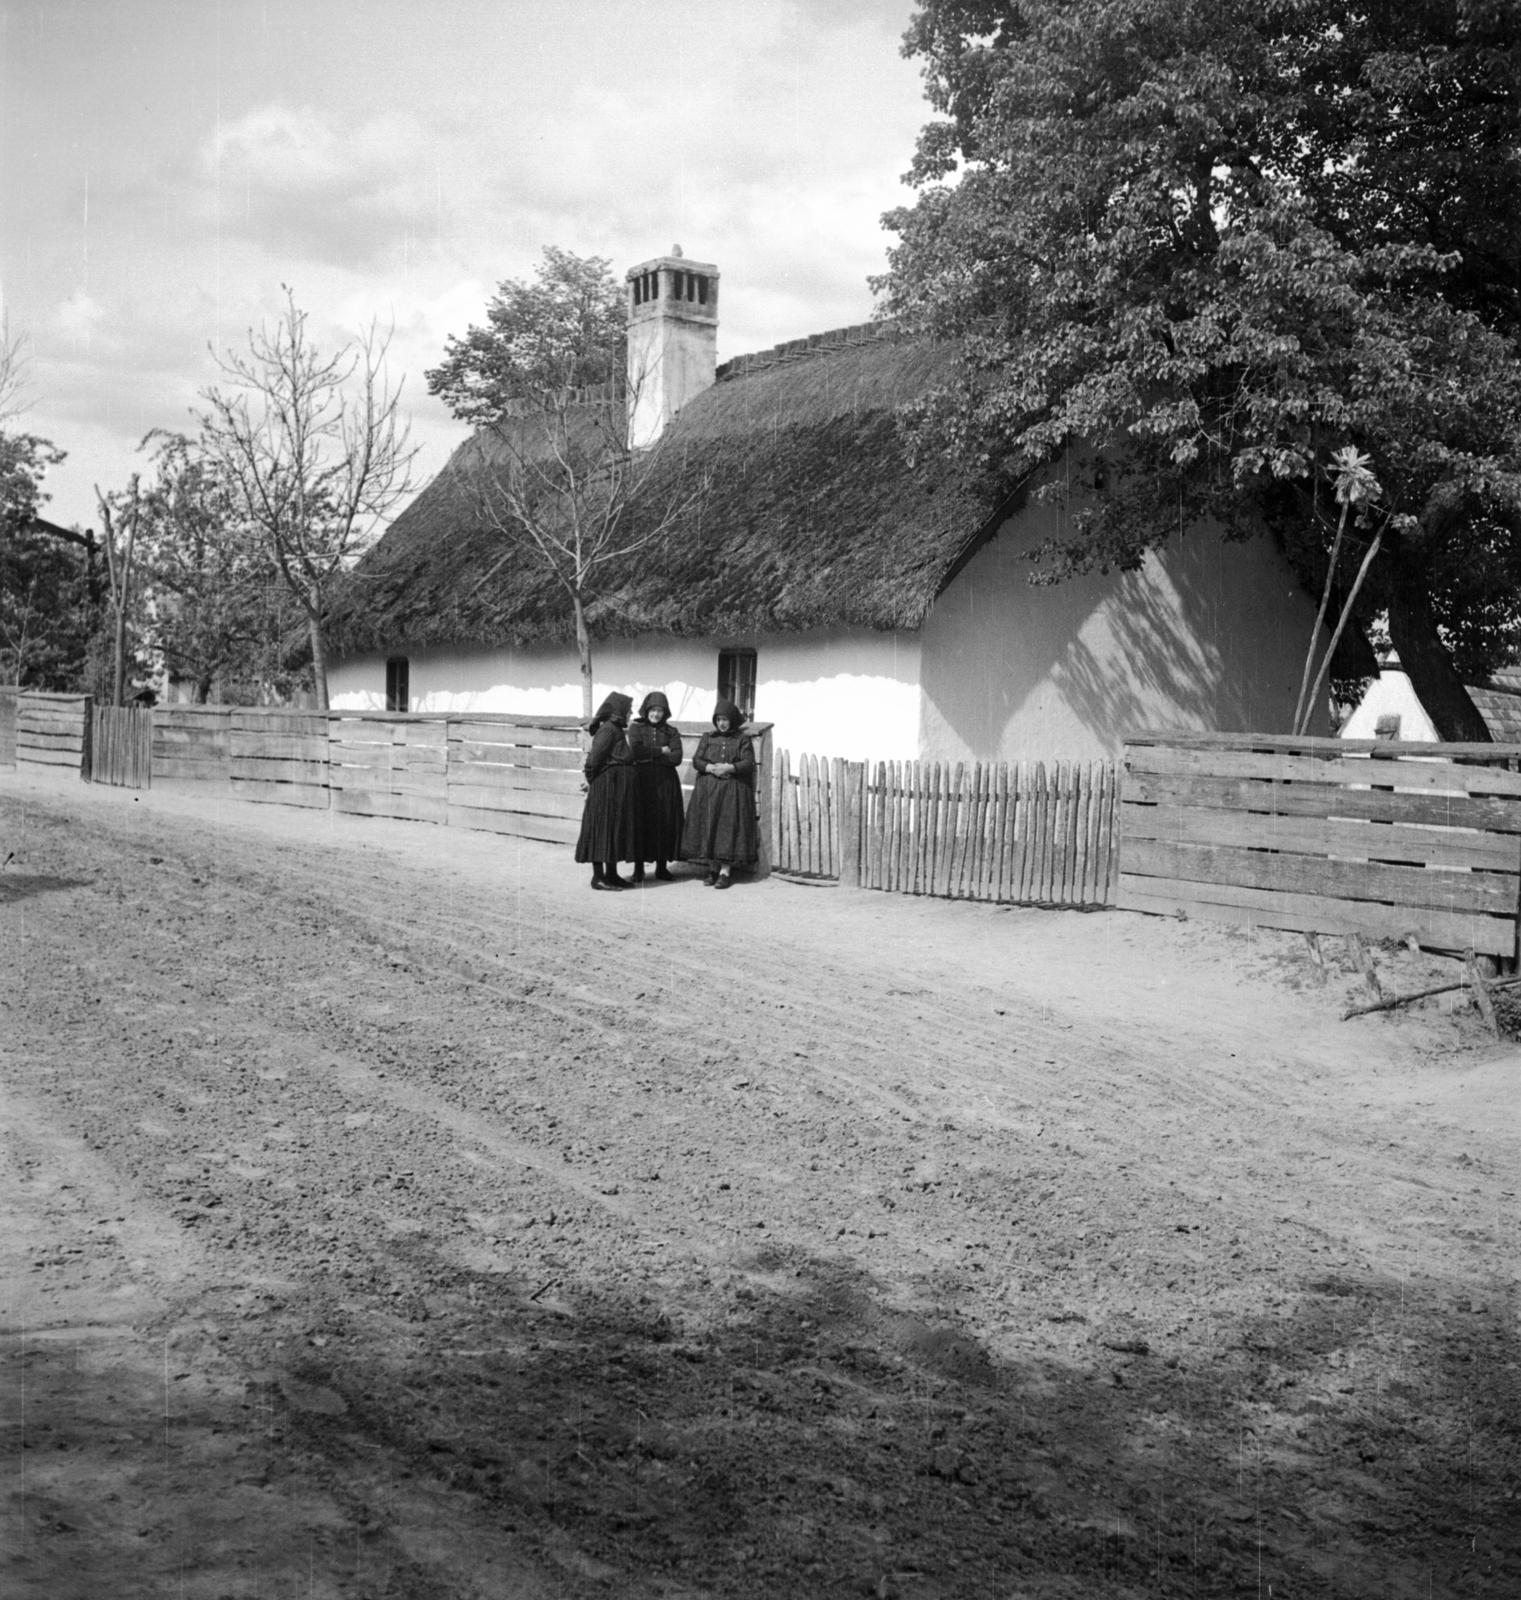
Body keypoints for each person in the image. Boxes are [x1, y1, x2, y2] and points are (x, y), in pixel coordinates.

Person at [681, 698, 757, 888]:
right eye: (719, 719)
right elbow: (697, 760)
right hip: (708, 791)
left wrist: (730, 767)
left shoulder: (741, 740)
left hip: (731, 792)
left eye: (725, 719)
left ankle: (725, 871)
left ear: (732, 720)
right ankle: (713, 869)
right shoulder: (708, 738)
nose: (722, 723)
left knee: (727, 829)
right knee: (710, 827)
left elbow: (748, 763)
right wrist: (709, 768)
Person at [574, 692, 637, 890]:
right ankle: (598, 878)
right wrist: (596, 783)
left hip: (616, 789)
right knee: (602, 829)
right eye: (628, 710)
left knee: (614, 829)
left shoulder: (616, 729)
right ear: (619, 712)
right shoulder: (608, 731)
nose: (631, 713)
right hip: (606, 788)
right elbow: (593, 762)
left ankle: (612, 874)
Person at [626, 690, 684, 883]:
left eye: (660, 710)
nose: (656, 714)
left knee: (664, 823)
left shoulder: (671, 732)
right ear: (646, 710)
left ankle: (661, 868)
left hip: (666, 784)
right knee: (641, 823)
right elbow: (636, 751)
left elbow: (676, 758)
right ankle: (638, 869)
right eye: (653, 709)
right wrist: (661, 750)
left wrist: (650, 755)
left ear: (665, 712)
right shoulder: (636, 728)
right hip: (642, 783)